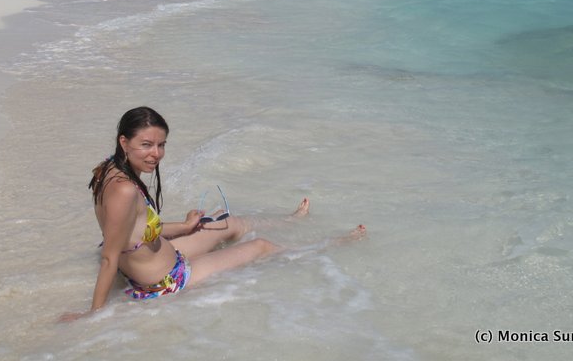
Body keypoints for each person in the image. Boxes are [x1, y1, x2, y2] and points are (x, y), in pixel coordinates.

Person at [58, 106, 365, 321]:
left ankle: (290, 220)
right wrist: (93, 315)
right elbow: (111, 256)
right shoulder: (124, 190)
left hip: (159, 254)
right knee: (262, 247)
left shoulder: (107, 168)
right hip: (166, 279)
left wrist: (186, 225)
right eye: (146, 145)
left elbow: (136, 229)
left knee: (226, 224)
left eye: (161, 145)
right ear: (124, 141)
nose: (156, 154)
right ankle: (329, 246)